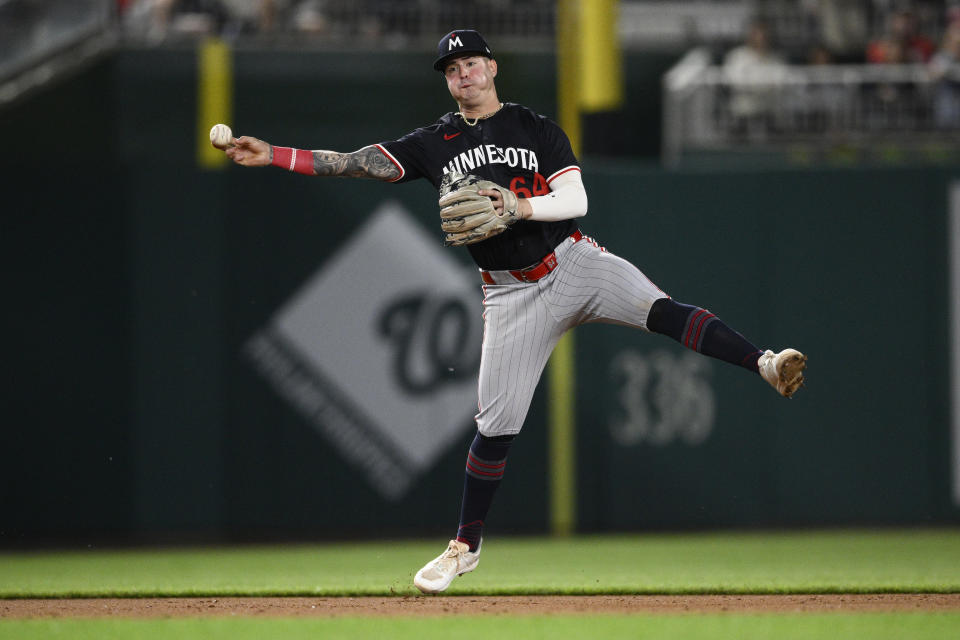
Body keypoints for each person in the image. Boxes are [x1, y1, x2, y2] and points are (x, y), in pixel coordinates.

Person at [222, 29, 807, 594]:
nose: (462, 75)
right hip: (508, 293)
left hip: (573, 262)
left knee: (660, 309)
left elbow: (575, 199)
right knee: (494, 430)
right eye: (451, 70)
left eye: (470, 64)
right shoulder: (434, 143)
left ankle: (764, 363)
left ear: (492, 67)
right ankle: (464, 547)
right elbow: (353, 162)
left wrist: (517, 207)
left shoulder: (535, 127)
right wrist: (273, 153)